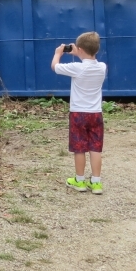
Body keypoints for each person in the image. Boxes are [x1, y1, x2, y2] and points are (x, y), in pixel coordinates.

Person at [51, 31, 107, 194]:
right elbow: (88, 60)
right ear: (97, 49)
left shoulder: (77, 68)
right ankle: (96, 183)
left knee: (80, 148)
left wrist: (58, 53)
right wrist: (80, 53)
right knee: (95, 148)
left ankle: (80, 180)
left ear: (80, 49)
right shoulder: (102, 67)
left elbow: (55, 67)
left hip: (78, 114)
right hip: (96, 114)